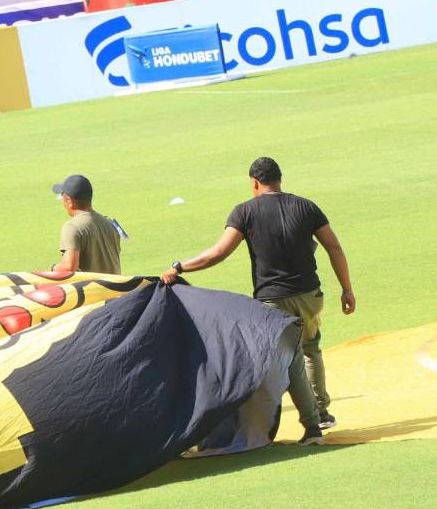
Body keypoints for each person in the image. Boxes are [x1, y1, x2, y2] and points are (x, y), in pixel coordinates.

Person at [160, 157, 356, 445]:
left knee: (290, 362)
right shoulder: (306, 206)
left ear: (254, 183)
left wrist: (180, 267)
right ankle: (322, 411)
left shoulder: (245, 212)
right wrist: (347, 289)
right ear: (280, 178)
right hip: (310, 295)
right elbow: (334, 246)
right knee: (310, 349)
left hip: (272, 301)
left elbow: (218, 253)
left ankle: (312, 426)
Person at [51, 174, 122, 274]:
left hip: (92, 289)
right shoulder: (110, 224)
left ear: (70, 201)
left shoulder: (72, 227)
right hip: (116, 288)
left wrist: (53, 269)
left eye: (62, 197)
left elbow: (69, 267)